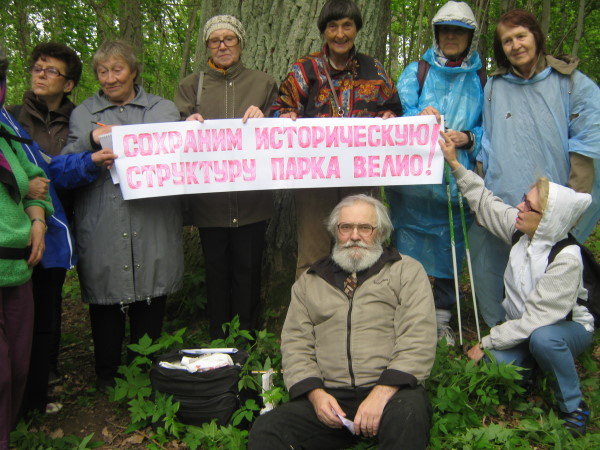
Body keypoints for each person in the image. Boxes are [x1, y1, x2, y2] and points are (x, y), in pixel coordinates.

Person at [248, 195, 437, 449]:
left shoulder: (405, 271)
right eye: (345, 227)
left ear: (380, 232)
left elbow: (418, 337)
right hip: (330, 397)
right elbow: (295, 344)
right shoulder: (311, 280)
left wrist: (382, 393)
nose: (354, 236)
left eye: (365, 228)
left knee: (408, 417)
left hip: (393, 392)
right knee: (267, 430)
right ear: (335, 232)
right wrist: (316, 396)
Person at [440, 131, 594, 437]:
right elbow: (486, 204)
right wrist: (455, 164)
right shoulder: (522, 233)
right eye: (524, 199)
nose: (520, 207)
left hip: (563, 328)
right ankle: (532, 369)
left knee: (544, 340)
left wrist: (487, 340)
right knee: (494, 363)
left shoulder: (566, 257)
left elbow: (539, 319)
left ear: (549, 219)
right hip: (525, 327)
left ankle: (572, 406)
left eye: (529, 205)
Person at [62, 40, 184, 391]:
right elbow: (65, 168)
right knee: (105, 296)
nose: (110, 78)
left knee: (152, 290)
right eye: (103, 71)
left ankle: (146, 369)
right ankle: (107, 373)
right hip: (102, 215)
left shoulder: (161, 108)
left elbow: (174, 149)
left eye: (118, 69)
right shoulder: (83, 113)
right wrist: (91, 141)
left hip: (151, 217)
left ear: (133, 71)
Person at [469, 9, 600, 327]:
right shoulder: (495, 88)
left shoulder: (571, 84)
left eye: (521, 36)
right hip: (505, 195)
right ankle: (503, 328)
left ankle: (549, 332)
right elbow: (487, 142)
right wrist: (483, 191)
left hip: (551, 200)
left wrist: (573, 202)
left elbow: (585, 146)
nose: (515, 45)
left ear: (536, 37)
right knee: (498, 259)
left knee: (548, 263)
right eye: (507, 40)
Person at [272, 0, 403, 279]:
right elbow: (279, 110)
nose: (340, 34)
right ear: (324, 31)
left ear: (356, 30)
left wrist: (390, 117)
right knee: (312, 250)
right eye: (333, 26)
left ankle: (366, 310)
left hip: (361, 172)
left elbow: (394, 110)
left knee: (363, 244)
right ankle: (309, 316)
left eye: (347, 26)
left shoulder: (375, 70)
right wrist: (285, 117)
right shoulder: (304, 70)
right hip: (313, 175)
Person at [385, 1, 484, 345]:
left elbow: (491, 127)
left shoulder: (482, 78)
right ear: (437, 35)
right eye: (446, 31)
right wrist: (418, 115)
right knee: (409, 249)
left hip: (456, 182)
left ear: (470, 36)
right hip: (413, 187)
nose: (452, 37)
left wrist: (469, 138)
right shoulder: (417, 71)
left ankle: (443, 318)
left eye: (459, 31)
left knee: (450, 247)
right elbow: (396, 114)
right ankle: (409, 314)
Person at [174, 15, 278, 340]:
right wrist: (185, 122)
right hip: (210, 203)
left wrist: (267, 118)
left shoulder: (263, 83)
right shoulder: (191, 85)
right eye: (214, 40)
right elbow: (172, 134)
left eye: (229, 39)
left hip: (251, 202)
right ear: (207, 46)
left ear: (240, 43)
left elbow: (283, 127)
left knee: (248, 274)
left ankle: (245, 340)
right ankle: (218, 341)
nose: (222, 45)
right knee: (216, 274)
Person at [6, 41, 82, 411]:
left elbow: (70, 169)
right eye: (37, 67)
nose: (40, 73)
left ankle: (43, 379)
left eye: (50, 70)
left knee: (48, 306)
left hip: (59, 224)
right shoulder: (12, 116)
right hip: (17, 227)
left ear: (67, 84)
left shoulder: (78, 121)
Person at [0, 45, 54, 450]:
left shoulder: (6, 131)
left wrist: (37, 215)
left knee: (18, 368)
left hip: (19, 268)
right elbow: (26, 181)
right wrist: (27, 190)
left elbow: (36, 175)